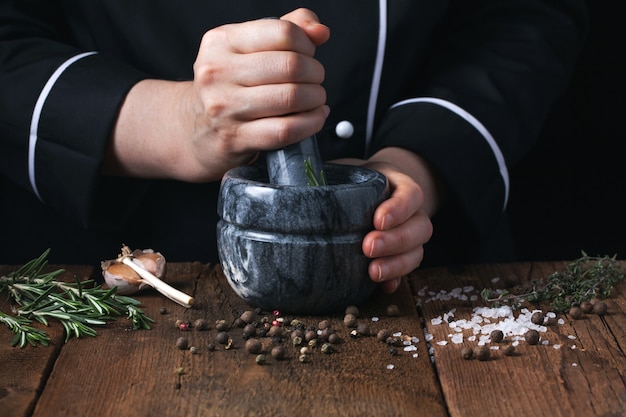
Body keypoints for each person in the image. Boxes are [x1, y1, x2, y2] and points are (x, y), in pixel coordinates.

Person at [0, 2, 587, 293]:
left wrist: (414, 169)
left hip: (425, 277)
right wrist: (182, 122)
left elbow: (525, 19)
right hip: (113, 278)